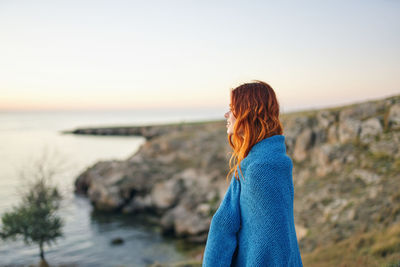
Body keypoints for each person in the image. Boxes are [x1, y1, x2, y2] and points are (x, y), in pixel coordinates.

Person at [202, 80, 303, 267]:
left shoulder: (259, 169)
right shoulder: (274, 162)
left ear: (249, 112)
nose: (226, 114)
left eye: (232, 108)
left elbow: (268, 244)